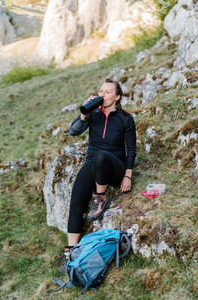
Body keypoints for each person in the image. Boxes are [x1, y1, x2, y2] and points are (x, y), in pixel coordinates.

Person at [64, 78, 136, 257]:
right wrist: (84, 114)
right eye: (101, 91)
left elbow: (131, 149)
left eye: (108, 92)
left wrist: (127, 176)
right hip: (92, 164)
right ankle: (71, 252)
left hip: (114, 168)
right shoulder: (93, 115)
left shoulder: (126, 119)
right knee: (76, 199)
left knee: (101, 155)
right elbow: (73, 131)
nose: (102, 95)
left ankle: (100, 197)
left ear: (117, 97)